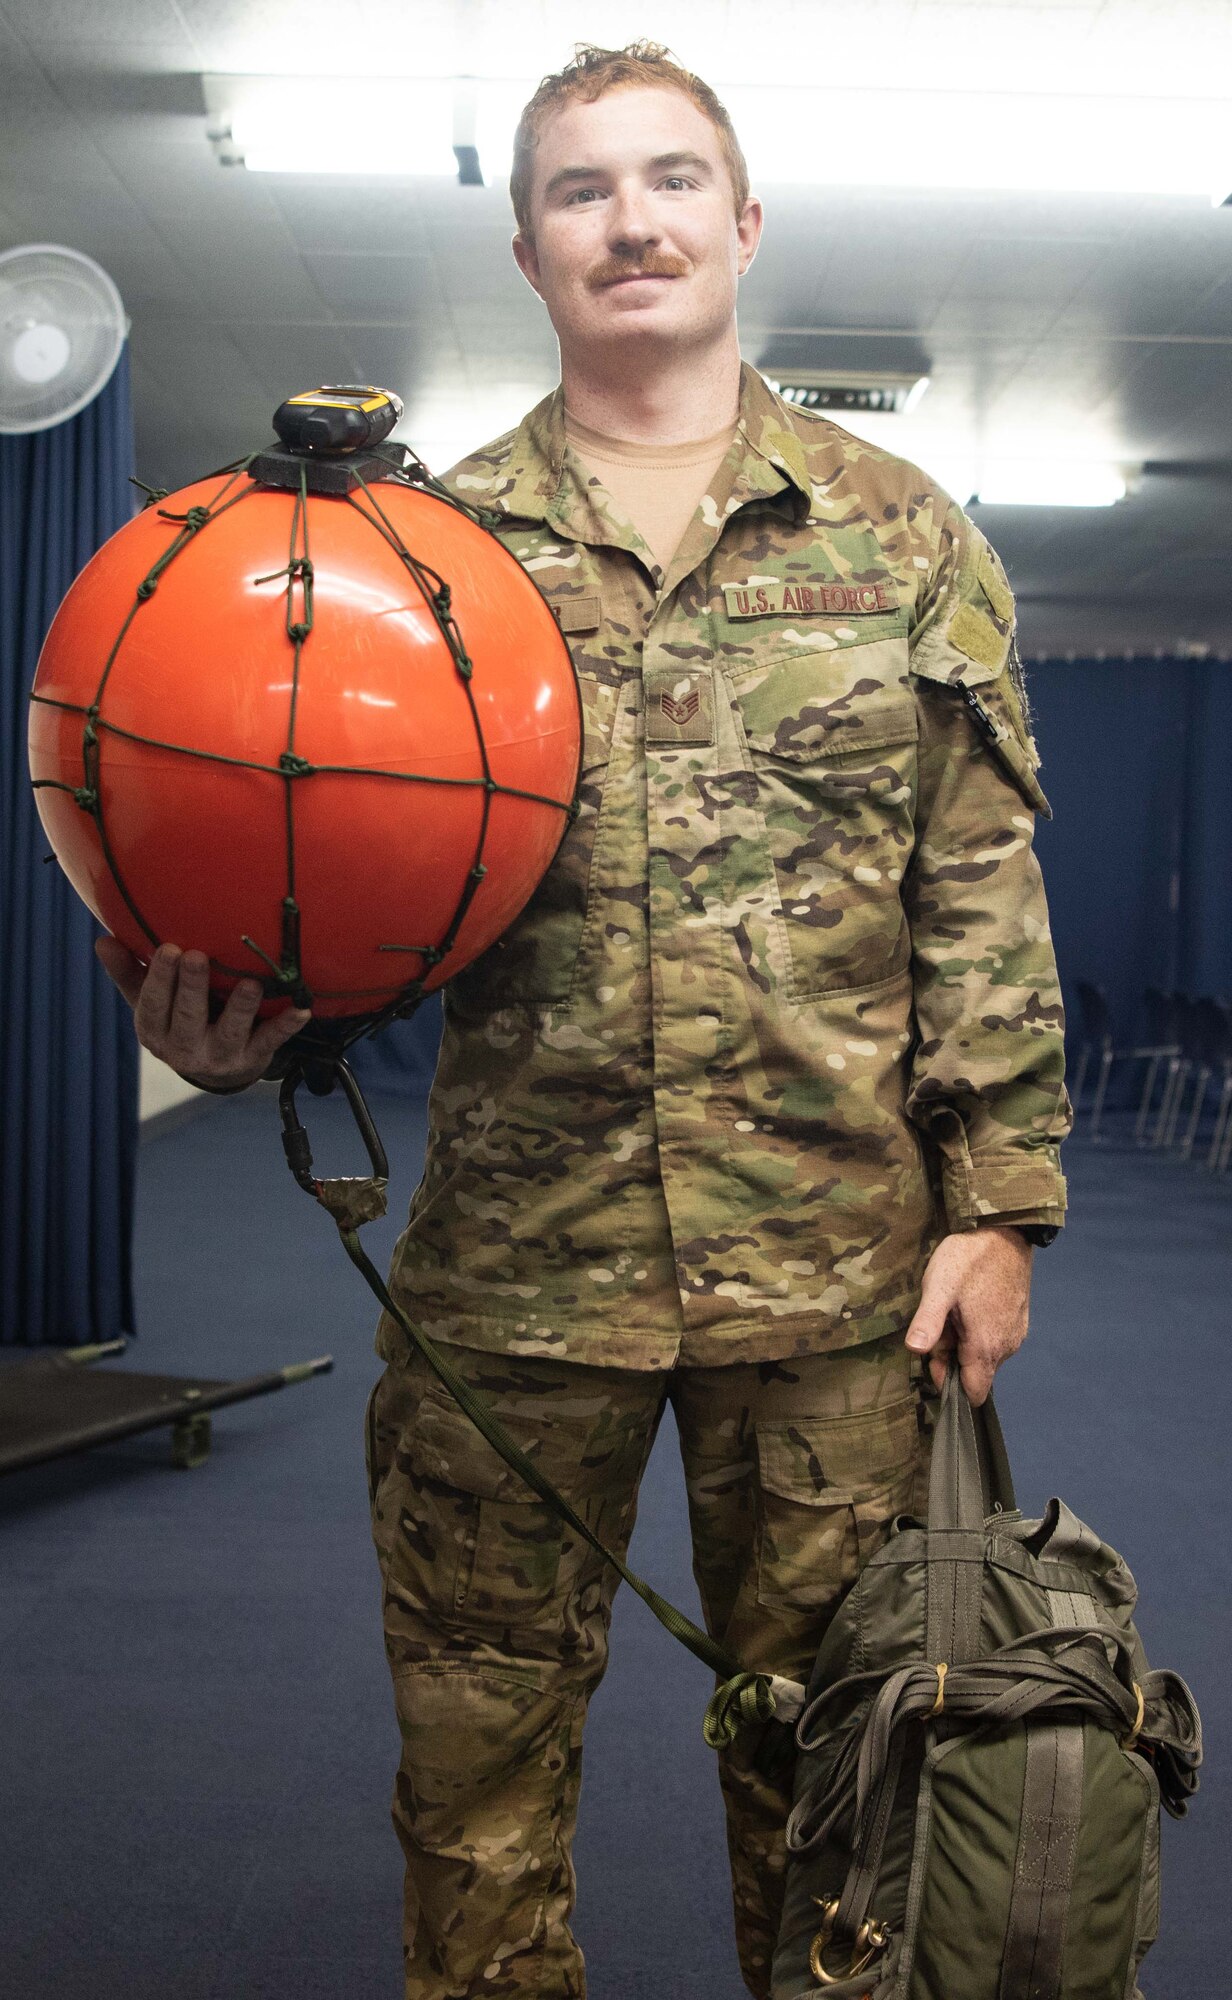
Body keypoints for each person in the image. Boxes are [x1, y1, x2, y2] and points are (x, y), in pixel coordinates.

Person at [98, 42, 1070, 2000]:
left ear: (741, 219)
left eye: (669, 178)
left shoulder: (900, 535)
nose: (630, 219)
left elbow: (973, 880)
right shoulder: (416, 556)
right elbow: (326, 880)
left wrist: (999, 1204)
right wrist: (244, 1037)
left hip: (834, 1293)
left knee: (842, 1796)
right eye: (579, 188)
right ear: (528, 245)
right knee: (473, 1798)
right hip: (509, 1291)